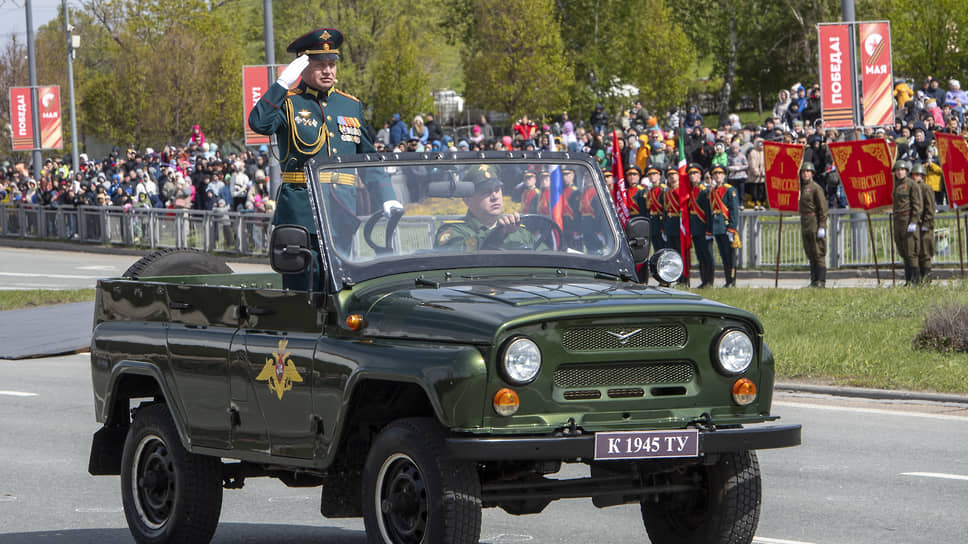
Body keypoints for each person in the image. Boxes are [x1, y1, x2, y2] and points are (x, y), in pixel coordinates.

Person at [248, 27, 402, 289]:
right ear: (303, 68)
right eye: (320, 65)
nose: (328, 71)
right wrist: (281, 84)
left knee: (338, 286)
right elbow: (259, 123)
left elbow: (367, 156)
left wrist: (387, 194)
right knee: (302, 289)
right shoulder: (288, 102)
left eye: (332, 64)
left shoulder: (350, 105)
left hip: (341, 210)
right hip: (301, 211)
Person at [434, 165, 542, 251]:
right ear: (468, 200)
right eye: (485, 191)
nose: (494, 196)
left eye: (497, 189)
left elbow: (546, 256)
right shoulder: (454, 230)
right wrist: (497, 234)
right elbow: (454, 256)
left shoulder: (518, 231)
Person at [891, 160, 923, 286]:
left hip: (908, 219)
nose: (899, 172)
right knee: (902, 250)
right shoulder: (896, 185)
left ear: (906, 171)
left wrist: (914, 221)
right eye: (897, 170)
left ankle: (915, 280)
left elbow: (917, 204)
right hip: (898, 220)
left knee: (911, 251)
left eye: (902, 170)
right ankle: (908, 280)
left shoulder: (911, 185)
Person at [708, 164, 740, 287]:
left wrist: (732, 228)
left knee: (730, 256)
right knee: (723, 255)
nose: (718, 176)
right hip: (717, 227)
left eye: (720, 173)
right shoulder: (713, 191)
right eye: (715, 174)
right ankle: (727, 280)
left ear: (724, 175)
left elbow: (733, 211)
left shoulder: (729, 190)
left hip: (726, 227)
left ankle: (732, 280)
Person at [798, 162, 828, 287]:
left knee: (818, 251)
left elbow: (822, 209)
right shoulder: (801, 188)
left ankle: (821, 280)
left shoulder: (816, 188)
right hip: (805, 221)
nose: (805, 174)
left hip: (814, 221)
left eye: (808, 171)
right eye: (803, 172)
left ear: (812, 174)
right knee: (810, 251)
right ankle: (814, 280)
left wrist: (822, 226)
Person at [686, 164, 714, 287]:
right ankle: (703, 280)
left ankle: (709, 281)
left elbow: (708, 212)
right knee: (700, 255)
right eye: (690, 174)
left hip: (703, 228)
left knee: (707, 255)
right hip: (695, 228)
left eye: (695, 173)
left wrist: (709, 230)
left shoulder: (704, 191)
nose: (693, 176)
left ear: (700, 175)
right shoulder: (690, 191)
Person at [911, 163, 935, 283]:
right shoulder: (912, 188)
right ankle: (918, 279)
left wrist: (927, 224)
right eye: (913, 175)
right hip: (916, 225)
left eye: (917, 175)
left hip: (925, 225)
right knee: (916, 251)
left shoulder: (926, 188)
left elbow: (930, 208)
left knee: (925, 252)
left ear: (922, 176)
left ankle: (927, 279)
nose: (914, 177)